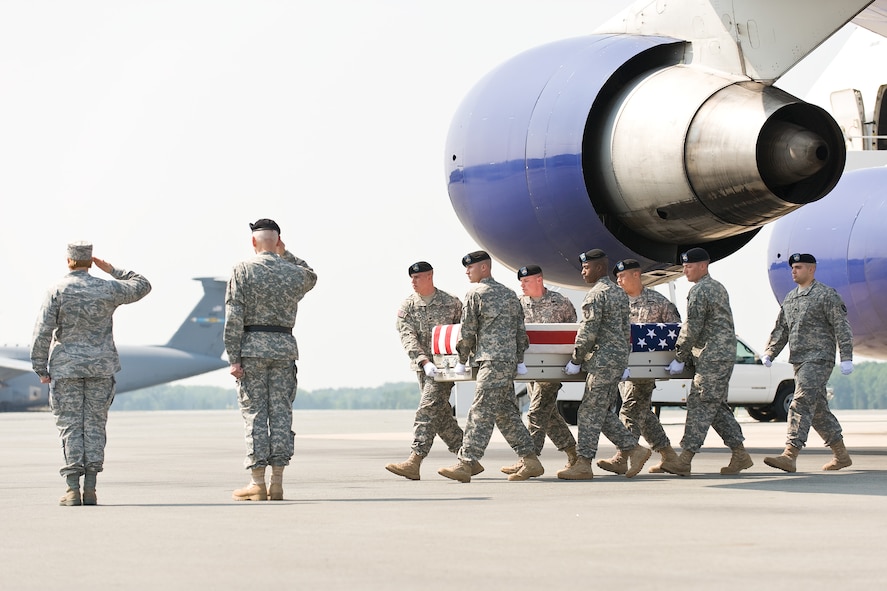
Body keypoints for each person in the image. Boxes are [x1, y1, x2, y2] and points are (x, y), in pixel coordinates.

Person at [30, 241, 151, 506]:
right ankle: (92, 488)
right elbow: (143, 284)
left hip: (66, 368)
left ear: (69, 261)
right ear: (90, 261)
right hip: (101, 367)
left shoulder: (57, 289)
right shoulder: (108, 288)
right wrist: (112, 269)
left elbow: (42, 331)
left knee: (71, 426)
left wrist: (40, 366)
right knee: (95, 425)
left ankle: (72, 489)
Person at [225, 218, 317, 501]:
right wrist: (285, 254)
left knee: (255, 413)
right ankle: (277, 481)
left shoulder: (242, 271)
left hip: (252, 348)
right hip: (283, 348)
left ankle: (257, 482)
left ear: (253, 242)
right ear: (277, 242)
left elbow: (233, 318)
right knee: (280, 413)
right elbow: (311, 275)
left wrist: (233, 357)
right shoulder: (292, 272)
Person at [438, 250, 544, 483]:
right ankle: (531, 460)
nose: (467, 271)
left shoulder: (476, 293)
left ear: (484, 268)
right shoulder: (509, 294)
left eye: (471, 267)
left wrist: (462, 359)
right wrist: (518, 360)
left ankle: (466, 463)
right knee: (505, 413)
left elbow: (467, 330)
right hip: (506, 363)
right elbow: (521, 332)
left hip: (491, 361)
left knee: (480, 411)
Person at [557, 249, 652, 480]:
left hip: (601, 362)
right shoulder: (619, 294)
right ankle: (634, 449)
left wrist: (576, 359)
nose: (582, 272)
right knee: (600, 412)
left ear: (599, 268)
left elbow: (588, 331)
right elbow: (625, 330)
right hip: (616, 361)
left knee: (589, 412)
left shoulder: (595, 295)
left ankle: (584, 463)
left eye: (586, 267)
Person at [660, 247, 752, 476]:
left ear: (703, 265)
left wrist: (680, 356)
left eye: (689, 266)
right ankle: (740, 454)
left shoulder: (700, 291)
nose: (685, 270)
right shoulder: (717, 287)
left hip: (712, 355)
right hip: (719, 354)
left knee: (700, 403)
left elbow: (692, 326)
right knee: (715, 406)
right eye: (684, 266)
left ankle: (685, 459)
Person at [761, 253, 854, 473]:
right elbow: (781, 329)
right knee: (818, 410)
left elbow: (842, 327)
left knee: (800, 402)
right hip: (799, 361)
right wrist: (770, 352)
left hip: (819, 358)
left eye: (799, 267)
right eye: (792, 267)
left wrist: (847, 356)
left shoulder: (826, 295)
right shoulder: (791, 298)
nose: (794, 271)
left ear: (811, 269)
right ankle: (841, 455)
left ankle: (789, 455)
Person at [386, 261, 472, 480]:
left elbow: (464, 332)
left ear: (430, 276)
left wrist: (462, 360)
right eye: (411, 278)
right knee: (440, 414)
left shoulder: (451, 303)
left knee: (427, 409)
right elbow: (407, 336)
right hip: (425, 368)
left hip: (447, 368)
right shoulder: (408, 306)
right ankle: (469, 458)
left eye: (417, 277)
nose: (413, 282)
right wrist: (424, 361)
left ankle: (414, 460)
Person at [597, 258, 682, 475]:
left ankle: (623, 456)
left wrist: (673, 362)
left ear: (636, 275)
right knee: (643, 415)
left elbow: (676, 332)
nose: (618, 280)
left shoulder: (658, 302)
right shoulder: (616, 303)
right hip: (621, 370)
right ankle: (669, 456)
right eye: (616, 277)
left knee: (631, 410)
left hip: (646, 370)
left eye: (622, 276)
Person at [500, 264, 578, 476]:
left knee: (536, 412)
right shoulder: (517, 304)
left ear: (539, 280)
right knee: (548, 414)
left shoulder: (560, 303)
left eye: (526, 281)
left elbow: (573, 334)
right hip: (528, 368)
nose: (522, 285)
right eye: (521, 282)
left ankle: (529, 459)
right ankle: (574, 454)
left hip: (553, 369)